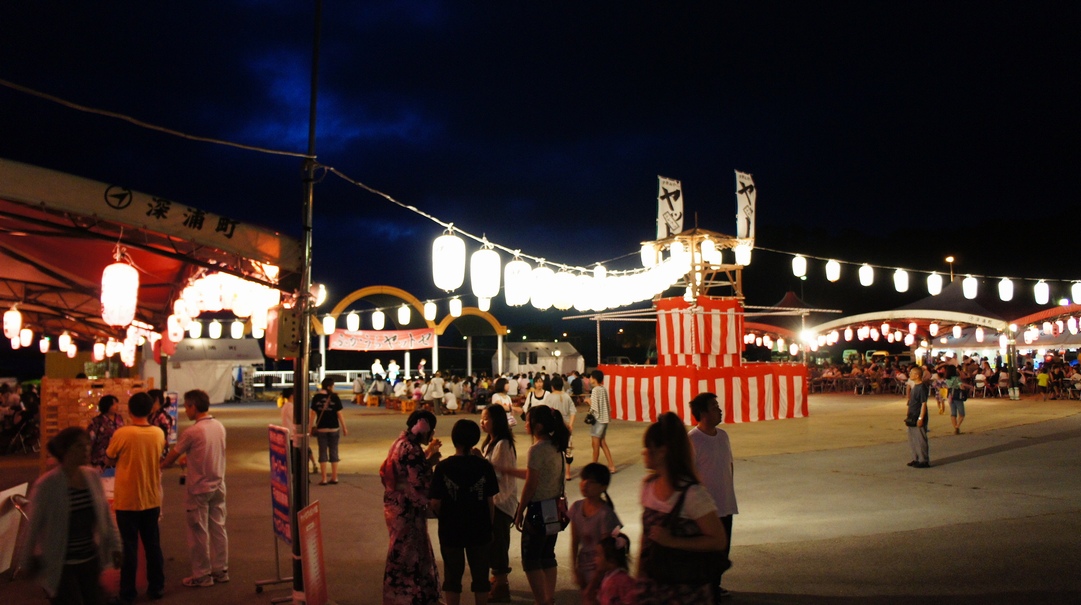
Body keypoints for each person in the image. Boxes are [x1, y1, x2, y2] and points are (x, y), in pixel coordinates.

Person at [19, 427, 122, 605]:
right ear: (65, 450)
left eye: (87, 445)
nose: (86, 450)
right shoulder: (47, 485)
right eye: (79, 446)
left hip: (90, 559)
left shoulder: (92, 477)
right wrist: (26, 559)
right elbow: (33, 526)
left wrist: (116, 546)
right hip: (62, 564)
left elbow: (105, 516)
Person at [637, 412, 728, 603]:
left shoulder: (692, 494)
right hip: (654, 587)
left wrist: (672, 541)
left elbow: (718, 540)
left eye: (648, 448)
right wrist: (639, 578)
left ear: (662, 451)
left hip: (686, 591)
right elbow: (646, 539)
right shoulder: (648, 487)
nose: (643, 452)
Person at [163, 389, 229, 587]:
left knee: (198, 531)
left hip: (199, 487)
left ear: (193, 406)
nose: (185, 411)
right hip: (219, 484)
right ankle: (221, 570)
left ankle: (202, 574)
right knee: (218, 528)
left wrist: (161, 465)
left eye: (187, 406)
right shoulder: (218, 425)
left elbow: (172, 456)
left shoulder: (192, 431)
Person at [430, 419, 499, 605]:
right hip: (479, 527)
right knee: (481, 576)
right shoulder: (484, 466)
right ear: (475, 439)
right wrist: (490, 526)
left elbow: (435, 502)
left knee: (452, 576)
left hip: (451, 528)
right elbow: (490, 501)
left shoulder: (443, 467)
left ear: (454, 439)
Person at [106, 392, 166, 604]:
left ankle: (128, 592)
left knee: (129, 546)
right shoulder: (158, 433)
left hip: (127, 498)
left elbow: (110, 457)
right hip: (151, 497)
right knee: (153, 544)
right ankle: (156, 587)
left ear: (129, 410)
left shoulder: (123, 433)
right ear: (151, 410)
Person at [380, 410, 443, 605]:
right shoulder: (411, 448)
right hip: (406, 508)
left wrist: (427, 454)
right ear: (423, 428)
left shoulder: (401, 442)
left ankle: (400, 595)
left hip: (394, 504)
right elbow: (418, 481)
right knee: (409, 552)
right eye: (430, 430)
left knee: (403, 548)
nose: (431, 434)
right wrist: (431, 464)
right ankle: (411, 596)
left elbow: (407, 468)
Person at [513, 406, 571, 605]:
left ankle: (541, 601)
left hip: (538, 510)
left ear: (537, 426)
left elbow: (531, 484)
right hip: (555, 509)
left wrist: (520, 510)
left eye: (528, 420)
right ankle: (549, 598)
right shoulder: (557, 446)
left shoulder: (536, 450)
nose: (525, 424)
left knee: (531, 560)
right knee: (547, 555)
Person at [688, 392, 738, 600]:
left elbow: (730, 465)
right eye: (714, 406)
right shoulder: (692, 439)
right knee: (706, 552)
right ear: (703, 413)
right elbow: (689, 474)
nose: (719, 409)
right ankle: (703, 589)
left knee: (722, 549)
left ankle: (715, 586)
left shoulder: (723, 436)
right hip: (706, 508)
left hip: (725, 503)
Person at [479, 404, 518, 602]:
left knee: (498, 544)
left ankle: (502, 586)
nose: (482, 422)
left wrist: (480, 462)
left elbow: (499, 473)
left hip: (501, 501)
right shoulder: (491, 442)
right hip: (493, 500)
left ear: (496, 421)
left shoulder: (502, 444)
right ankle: (497, 579)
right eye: (481, 418)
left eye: (486, 418)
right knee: (493, 543)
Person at [568, 463, 621, 603]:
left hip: (602, 571)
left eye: (591, 482)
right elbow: (575, 540)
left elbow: (606, 552)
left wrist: (593, 583)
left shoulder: (605, 514)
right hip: (584, 566)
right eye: (583, 480)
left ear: (603, 487)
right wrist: (575, 568)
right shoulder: (576, 507)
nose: (584, 484)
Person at [310, 377, 347, 485]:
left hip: (321, 428)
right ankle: (335, 477)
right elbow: (339, 414)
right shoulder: (335, 397)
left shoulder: (316, 397)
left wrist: (309, 427)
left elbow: (312, 414)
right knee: (334, 451)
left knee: (322, 452)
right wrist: (344, 427)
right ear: (330, 386)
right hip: (334, 428)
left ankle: (324, 478)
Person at [279, 388, 317, 473]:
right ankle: (302, 473)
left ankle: (311, 466)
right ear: (292, 396)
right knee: (301, 455)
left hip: (289, 435)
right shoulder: (291, 407)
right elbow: (297, 420)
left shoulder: (285, 406)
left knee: (301, 453)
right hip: (293, 435)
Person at [595, 533, 638, 605]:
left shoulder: (620, 581)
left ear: (612, 560)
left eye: (598, 555)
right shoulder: (609, 577)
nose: (595, 559)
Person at [548, 375, 577, 480]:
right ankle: (568, 473)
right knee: (567, 450)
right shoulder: (567, 396)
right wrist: (571, 424)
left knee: (555, 450)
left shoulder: (550, 397)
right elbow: (573, 411)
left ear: (552, 386)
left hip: (555, 426)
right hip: (567, 426)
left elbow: (547, 413)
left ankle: (556, 471)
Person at [588, 370, 616, 473]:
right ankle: (611, 465)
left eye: (591, 377)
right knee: (602, 443)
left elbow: (594, 407)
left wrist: (588, 401)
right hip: (605, 419)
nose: (590, 379)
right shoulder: (603, 389)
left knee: (595, 445)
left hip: (598, 420)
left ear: (594, 379)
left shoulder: (595, 390)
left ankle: (593, 467)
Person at [87, 395, 124, 469]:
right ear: (107, 405)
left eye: (117, 403)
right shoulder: (97, 421)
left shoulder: (119, 419)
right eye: (113, 404)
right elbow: (90, 439)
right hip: (100, 459)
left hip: (116, 458)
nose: (117, 406)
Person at [906, 368, 932, 468]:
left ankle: (923, 460)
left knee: (920, 439)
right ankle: (915, 458)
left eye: (912, 373)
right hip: (912, 415)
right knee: (913, 438)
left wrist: (921, 418)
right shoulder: (915, 387)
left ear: (917, 375)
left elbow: (923, 404)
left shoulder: (921, 387)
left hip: (918, 415)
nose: (910, 374)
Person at [147, 389, 175, 462]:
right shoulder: (151, 414)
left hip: (159, 449)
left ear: (157, 401)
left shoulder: (163, 417)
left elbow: (163, 436)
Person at [944, 364, 966, 435]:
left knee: (953, 413)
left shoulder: (947, 379)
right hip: (957, 395)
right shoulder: (957, 378)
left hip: (950, 395)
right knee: (962, 413)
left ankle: (955, 427)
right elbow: (961, 386)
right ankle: (957, 426)